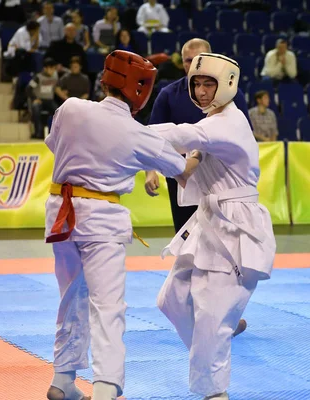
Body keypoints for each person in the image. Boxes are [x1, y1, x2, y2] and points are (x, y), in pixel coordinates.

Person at [44, 50, 200, 400]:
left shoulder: (69, 107)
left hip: (60, 212)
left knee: (71, 297)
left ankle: (63, 381)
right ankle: (105, 390)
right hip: (101, 217)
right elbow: (183, 172)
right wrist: (201, 146)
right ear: (141, 90)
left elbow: (54, 145)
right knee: (108, 306)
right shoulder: (137, 133)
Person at [145, 52, 276, 400]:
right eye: (196, 83)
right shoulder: (212, 123)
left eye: (209, 84)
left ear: (228, 85)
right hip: (208, 222)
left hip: (236, 227)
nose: (201, 91)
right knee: (171, 300)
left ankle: (214, 391)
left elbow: (180, 133)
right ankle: (214, 343)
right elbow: (189, 157)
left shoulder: (227, 122)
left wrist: (125, 132)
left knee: (210, 320)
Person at [148, 38, 251, 234]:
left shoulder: (232, 97)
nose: (194, 65)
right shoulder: (168, 94)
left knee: (221, 237)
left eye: (199, 59)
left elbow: (192, 137)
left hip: (221, 179)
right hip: (183, 177)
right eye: (188, 60)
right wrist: (151, 169)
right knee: (186, 236)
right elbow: (157, 136)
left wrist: (130, 134)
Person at [27, 57, 59, 139]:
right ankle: (38, 132)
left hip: (50, 100)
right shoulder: (38, 77)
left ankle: (57, 133)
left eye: (54, 68)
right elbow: (28, 88)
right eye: (51, 68)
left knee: (58, 111)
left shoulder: (55, 76)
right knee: (36, 108)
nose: (53, 70)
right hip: (40, 100)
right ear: (45, 68)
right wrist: (34, 99)